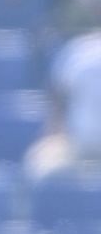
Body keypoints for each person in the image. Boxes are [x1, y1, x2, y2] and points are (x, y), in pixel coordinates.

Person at [25, 23, 101, 181]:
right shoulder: (78, 50)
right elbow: (57, 101)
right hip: (77, 146)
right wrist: (55, 135)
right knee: (39, 164)